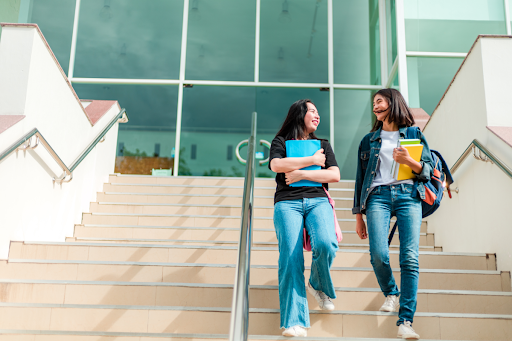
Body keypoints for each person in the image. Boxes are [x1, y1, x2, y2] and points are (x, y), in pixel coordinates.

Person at [353, 88, 433, 340]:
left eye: (379, 101)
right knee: (378, 253)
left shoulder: (413, 134)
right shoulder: (369, 140)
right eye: (373, 103)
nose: (375, 106)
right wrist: (358, 215)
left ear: (393, 103)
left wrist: (410, 161)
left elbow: (428, 169)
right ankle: (391, 292)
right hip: (378, 197)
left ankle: (406, 321)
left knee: (409, 258)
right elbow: (360, 179)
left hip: (409, 195)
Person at [269, 99, 340, 337]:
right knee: (290, 258)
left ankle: (317, 284)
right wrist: (311, 161)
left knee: (326, 244)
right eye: (312, 111)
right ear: (299, 115)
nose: (317, 115)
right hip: (287, 203)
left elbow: (335, 175)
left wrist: (299, 173)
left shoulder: (323, 144)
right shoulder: (281, 142)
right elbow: (277, 165)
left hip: (317, 200)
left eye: (318, 112)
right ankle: (293, 321)